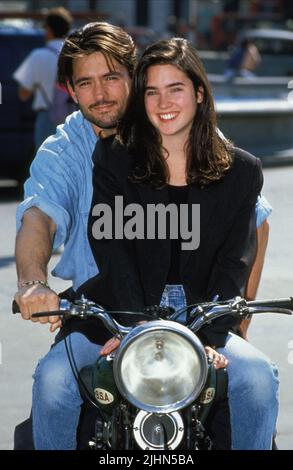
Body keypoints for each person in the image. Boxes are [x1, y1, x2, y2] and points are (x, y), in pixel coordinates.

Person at [14, 23, 270, 449]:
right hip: (105, 306)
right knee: (54, 381)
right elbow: (40, 216)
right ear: (70, 90)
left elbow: (252, 229)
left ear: (133, 76)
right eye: (86, 82)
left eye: (112, 77)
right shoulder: (77, 151)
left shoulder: (197, 137)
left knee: (258, 379)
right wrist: (32, 283)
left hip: (203, 311)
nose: (101, 93)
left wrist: (232, 325)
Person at [13, 7, 73, 148]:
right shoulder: (75, 56)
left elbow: (23, 94)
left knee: (44, 163)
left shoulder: (38, 55)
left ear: (49, 30)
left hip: (47, 117)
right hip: (73, 117)